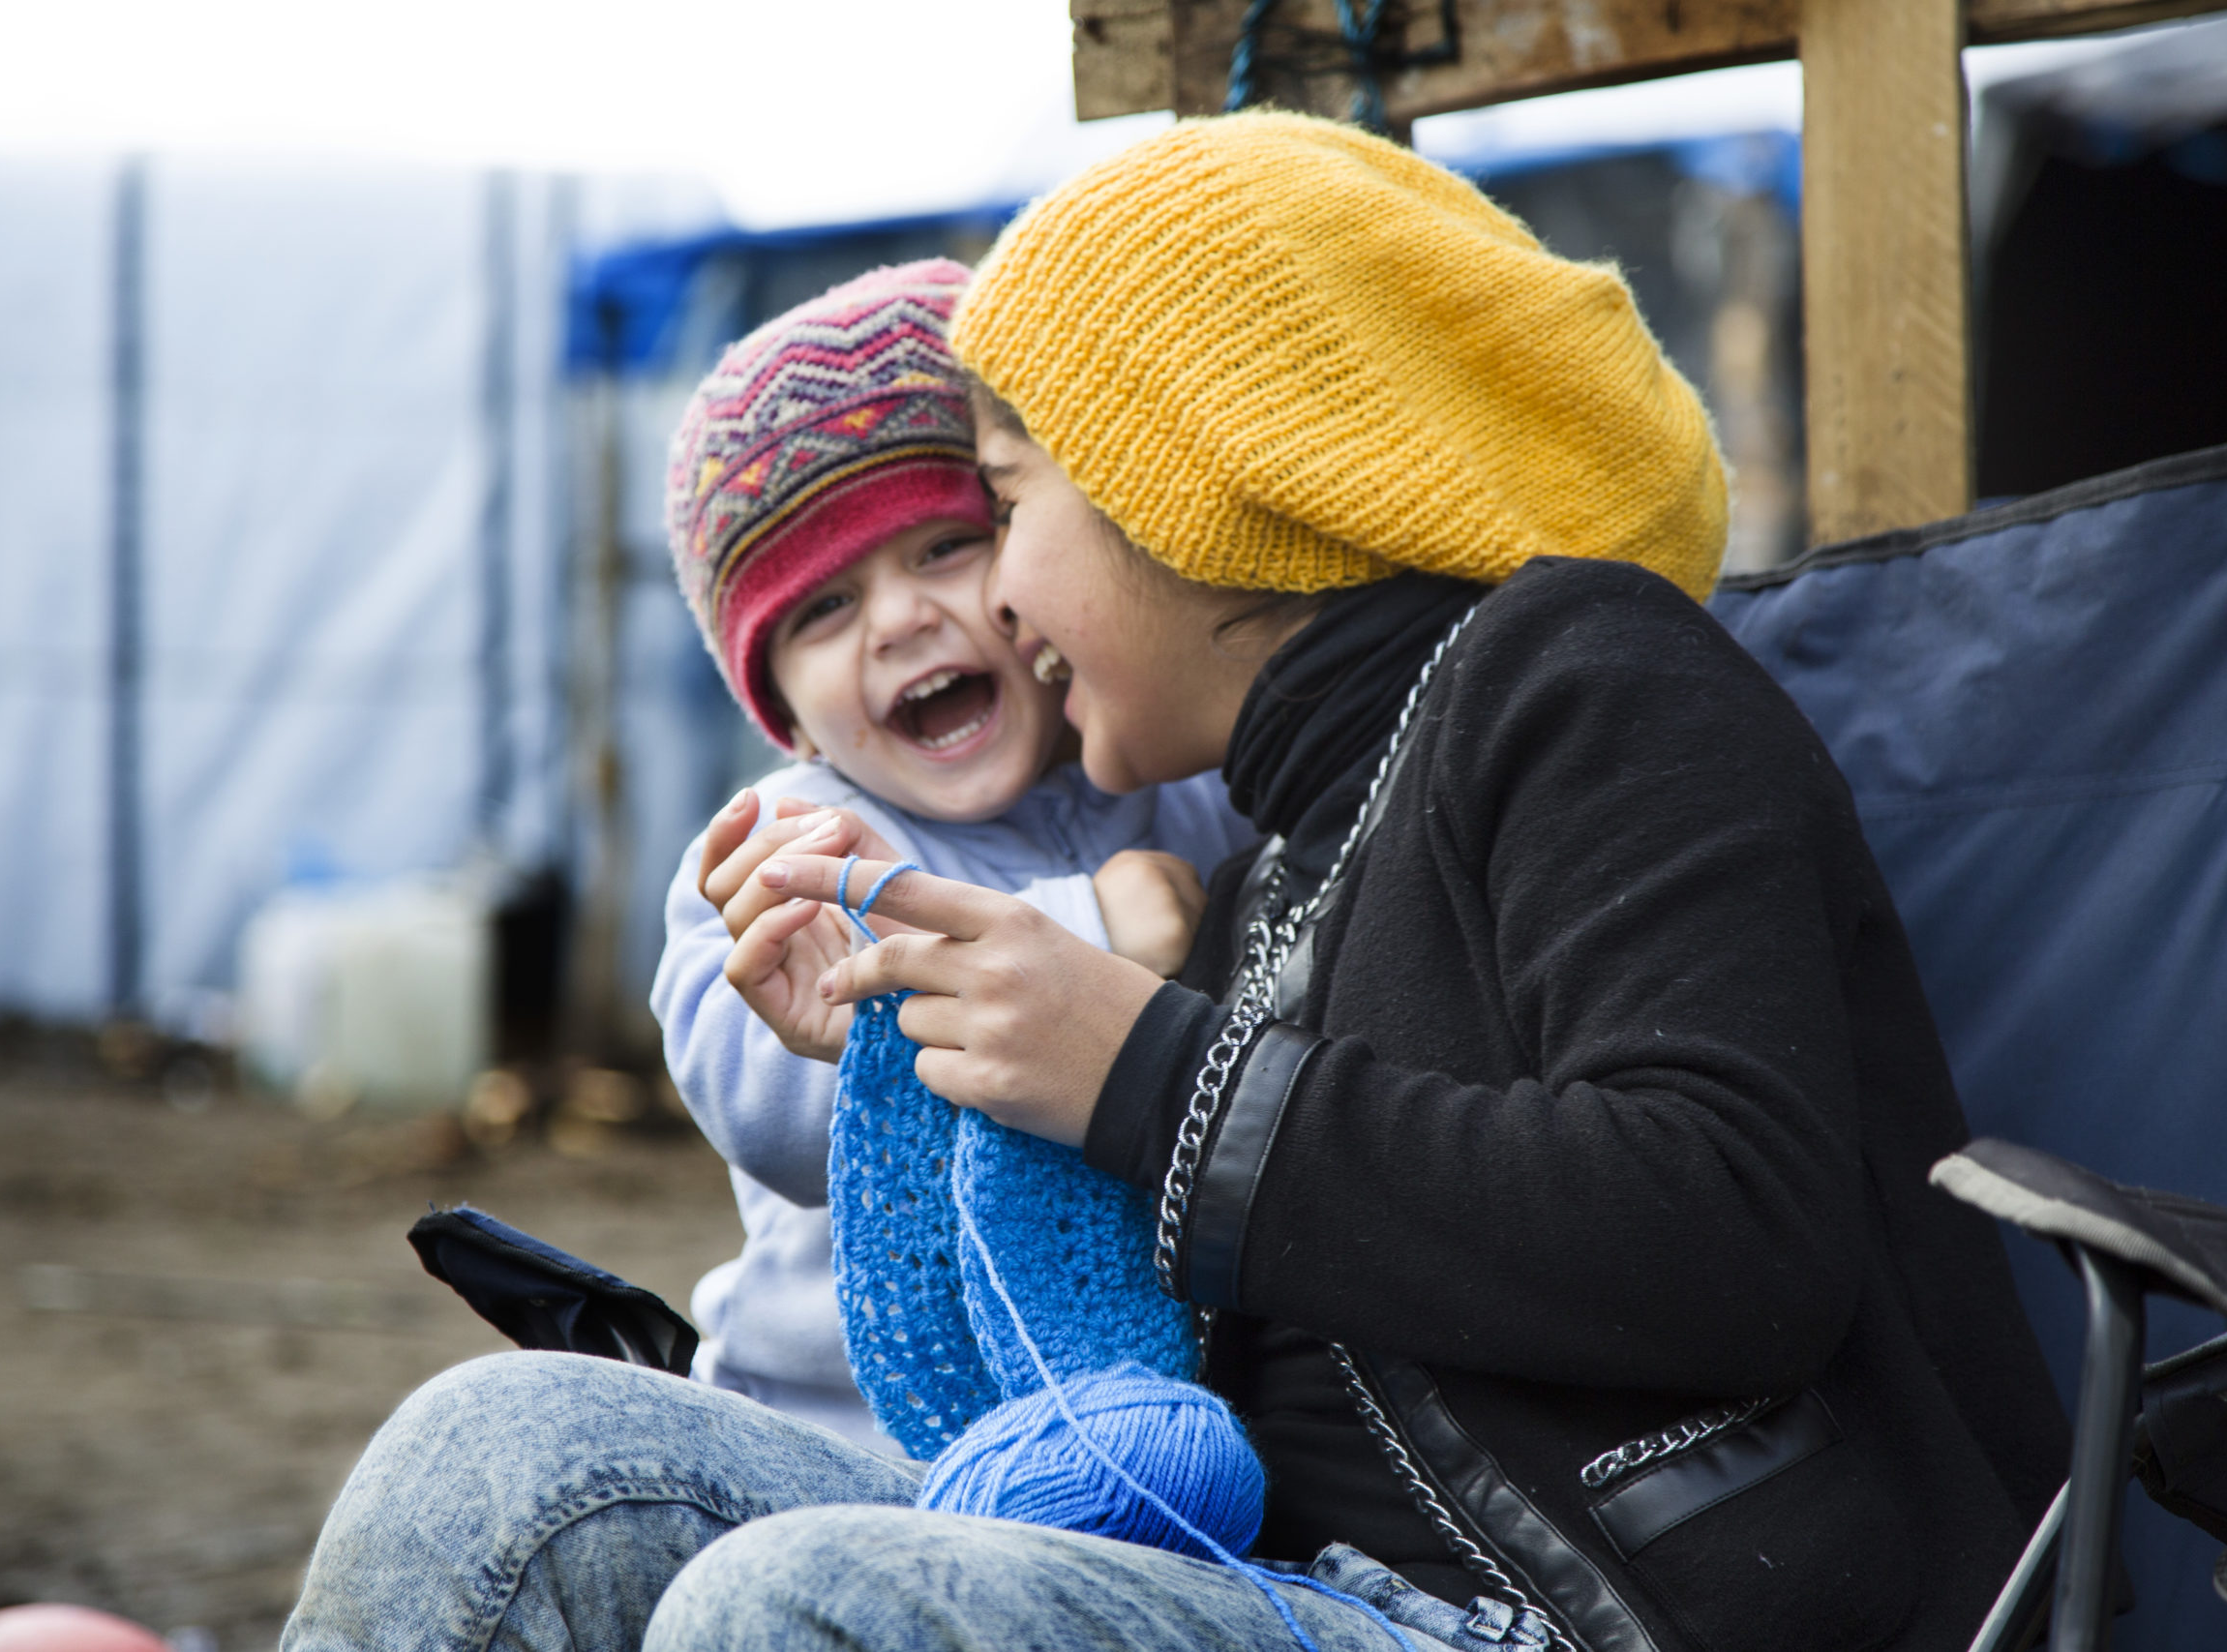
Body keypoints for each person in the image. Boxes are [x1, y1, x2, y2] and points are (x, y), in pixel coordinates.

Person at [285, 115, 2068, 1652]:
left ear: (1200, 478)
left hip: (1575, 1610)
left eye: (1002, 506)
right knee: (506, 1452)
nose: (997, 604)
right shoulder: (1275, 844)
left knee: (803, 1604)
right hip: (1272, 1566)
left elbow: (1731, 1224)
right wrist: (912, 1039)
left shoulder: (1583, 680)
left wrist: (1147, 1072)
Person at [647, 258, 1250, 1451]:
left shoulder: (1182, 784)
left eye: (940, 549)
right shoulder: (798, 840)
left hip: (1129, 1424)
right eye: (822, 610)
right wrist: (1092, 933)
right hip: (838, 1437)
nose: (901, 618)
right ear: (787, 713)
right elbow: (773, 1113)